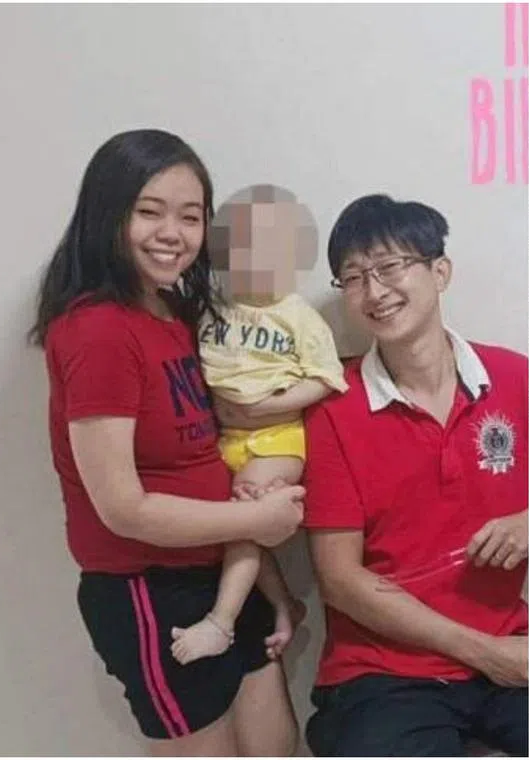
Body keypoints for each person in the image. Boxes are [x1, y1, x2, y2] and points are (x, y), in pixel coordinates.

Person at [32, 129, 305, 756]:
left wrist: (274, 589)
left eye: (190, 216)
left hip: (223, 578)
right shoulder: (97, 331)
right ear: (108, 213)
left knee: (276, 747)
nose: (172, 233)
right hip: (148, 589)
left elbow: (206, 460)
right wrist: (258, 517)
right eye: (148, 211)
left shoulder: (176, 316)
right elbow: (122, 508)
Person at [299, 194, 529, 757]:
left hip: (514, 645)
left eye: (390, 266)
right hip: (384, 672)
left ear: (439, 271)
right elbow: (341, 579)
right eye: (353, 277)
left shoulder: (514, 377)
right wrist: (482, 652)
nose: (374, 291)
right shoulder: (333, 409)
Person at [169, 184, 349, 665]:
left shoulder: (299, 316)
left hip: (278, 441)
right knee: (235, 525)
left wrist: (270, 407)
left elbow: (327, 379)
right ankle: (284, 604)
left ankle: (221, 623)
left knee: (241, 520)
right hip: (222, 439)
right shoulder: (214, 307)